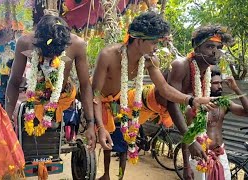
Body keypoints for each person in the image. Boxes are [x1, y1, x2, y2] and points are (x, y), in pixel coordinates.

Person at [92, 12, 213, 180]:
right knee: (103, 137)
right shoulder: (108, 55)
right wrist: (99, 126)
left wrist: (191, 99)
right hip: (98, 100)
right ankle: (104, 173)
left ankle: (116, 175)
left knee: (124, 139)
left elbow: (164, 88)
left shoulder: (150, 60)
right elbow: (95, 94)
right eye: (154, 42)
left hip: (119, 99)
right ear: (139, 40)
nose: (156, 47)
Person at [5, 15, 96, 150]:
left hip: (63, 97)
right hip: (36, 95)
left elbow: (85, 85)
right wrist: (7, 119)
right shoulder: (25, 42)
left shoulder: (77, 44)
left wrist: (90, 124)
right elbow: (14, 81)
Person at [163, 25, 234, 179]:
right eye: (209, 46)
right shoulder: (180, 65)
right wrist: (190, 141)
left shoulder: (207, 72)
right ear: (196, 48)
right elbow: (171, 102)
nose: (215, 51)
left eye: (218, 47)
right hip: (150, 104)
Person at [183, 69, 248, 180]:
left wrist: (236, 89)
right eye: (215, 83)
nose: (220, 86)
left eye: (220, 83)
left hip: (220, 154)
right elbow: (187, 137)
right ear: (206, 84)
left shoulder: (224, 103)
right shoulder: (193, 108)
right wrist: (186, 166)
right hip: (200, 156)